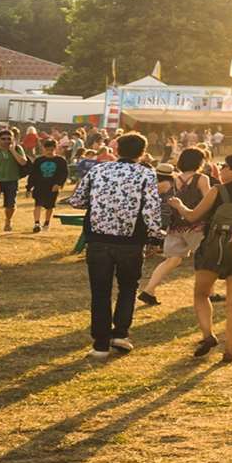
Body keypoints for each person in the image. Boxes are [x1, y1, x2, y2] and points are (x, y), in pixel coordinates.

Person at [167, 151, 232, 364]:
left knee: (201, 294)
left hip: (212, 249)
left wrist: (178, 205)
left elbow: (192, 216)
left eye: (225, 166)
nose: (221, 169)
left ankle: (208, 335)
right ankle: (230, 351)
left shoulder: (217, 191)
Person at [67, 132, 164, 358]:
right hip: (130, 241)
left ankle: (100, 343)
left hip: (98, 239)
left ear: (117, 148)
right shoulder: (146, 174)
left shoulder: (98, 169)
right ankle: (120, 333)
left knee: (100, 292)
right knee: (128, 287)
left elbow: (77, 200)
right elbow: (151, 209)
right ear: (142, 152)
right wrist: (155, 234)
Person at [140, 147, 211, 306]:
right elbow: (208, 200)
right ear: (199, 162)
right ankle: (210, 293)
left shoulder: (175, 179)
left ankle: (149, 290)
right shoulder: (201, 178)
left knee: (171, 260)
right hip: (196, 224)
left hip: (176, 225)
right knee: (205, 259)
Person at [0, 127, 28, 232]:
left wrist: (12, 150)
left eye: (9, 138)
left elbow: (23, 162)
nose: (6, 141)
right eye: (3, 139)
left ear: (13, 139)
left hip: (12, 180)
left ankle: (8, 221)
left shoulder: (18, 149)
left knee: (10, 204)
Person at [24, 138, 69, 231]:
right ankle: (37, 223)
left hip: (53, 186)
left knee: (50, 206)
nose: (49, 152)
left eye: (52, 149)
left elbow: (64, 173)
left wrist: (59, 184)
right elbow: (33, 174)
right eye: (47, 149)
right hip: (39, 186)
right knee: (38, 204)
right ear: (43, 149)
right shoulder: (38, 160)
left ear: (55, 149)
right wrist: (29, 187)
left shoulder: (60, 161)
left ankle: (47, 223)